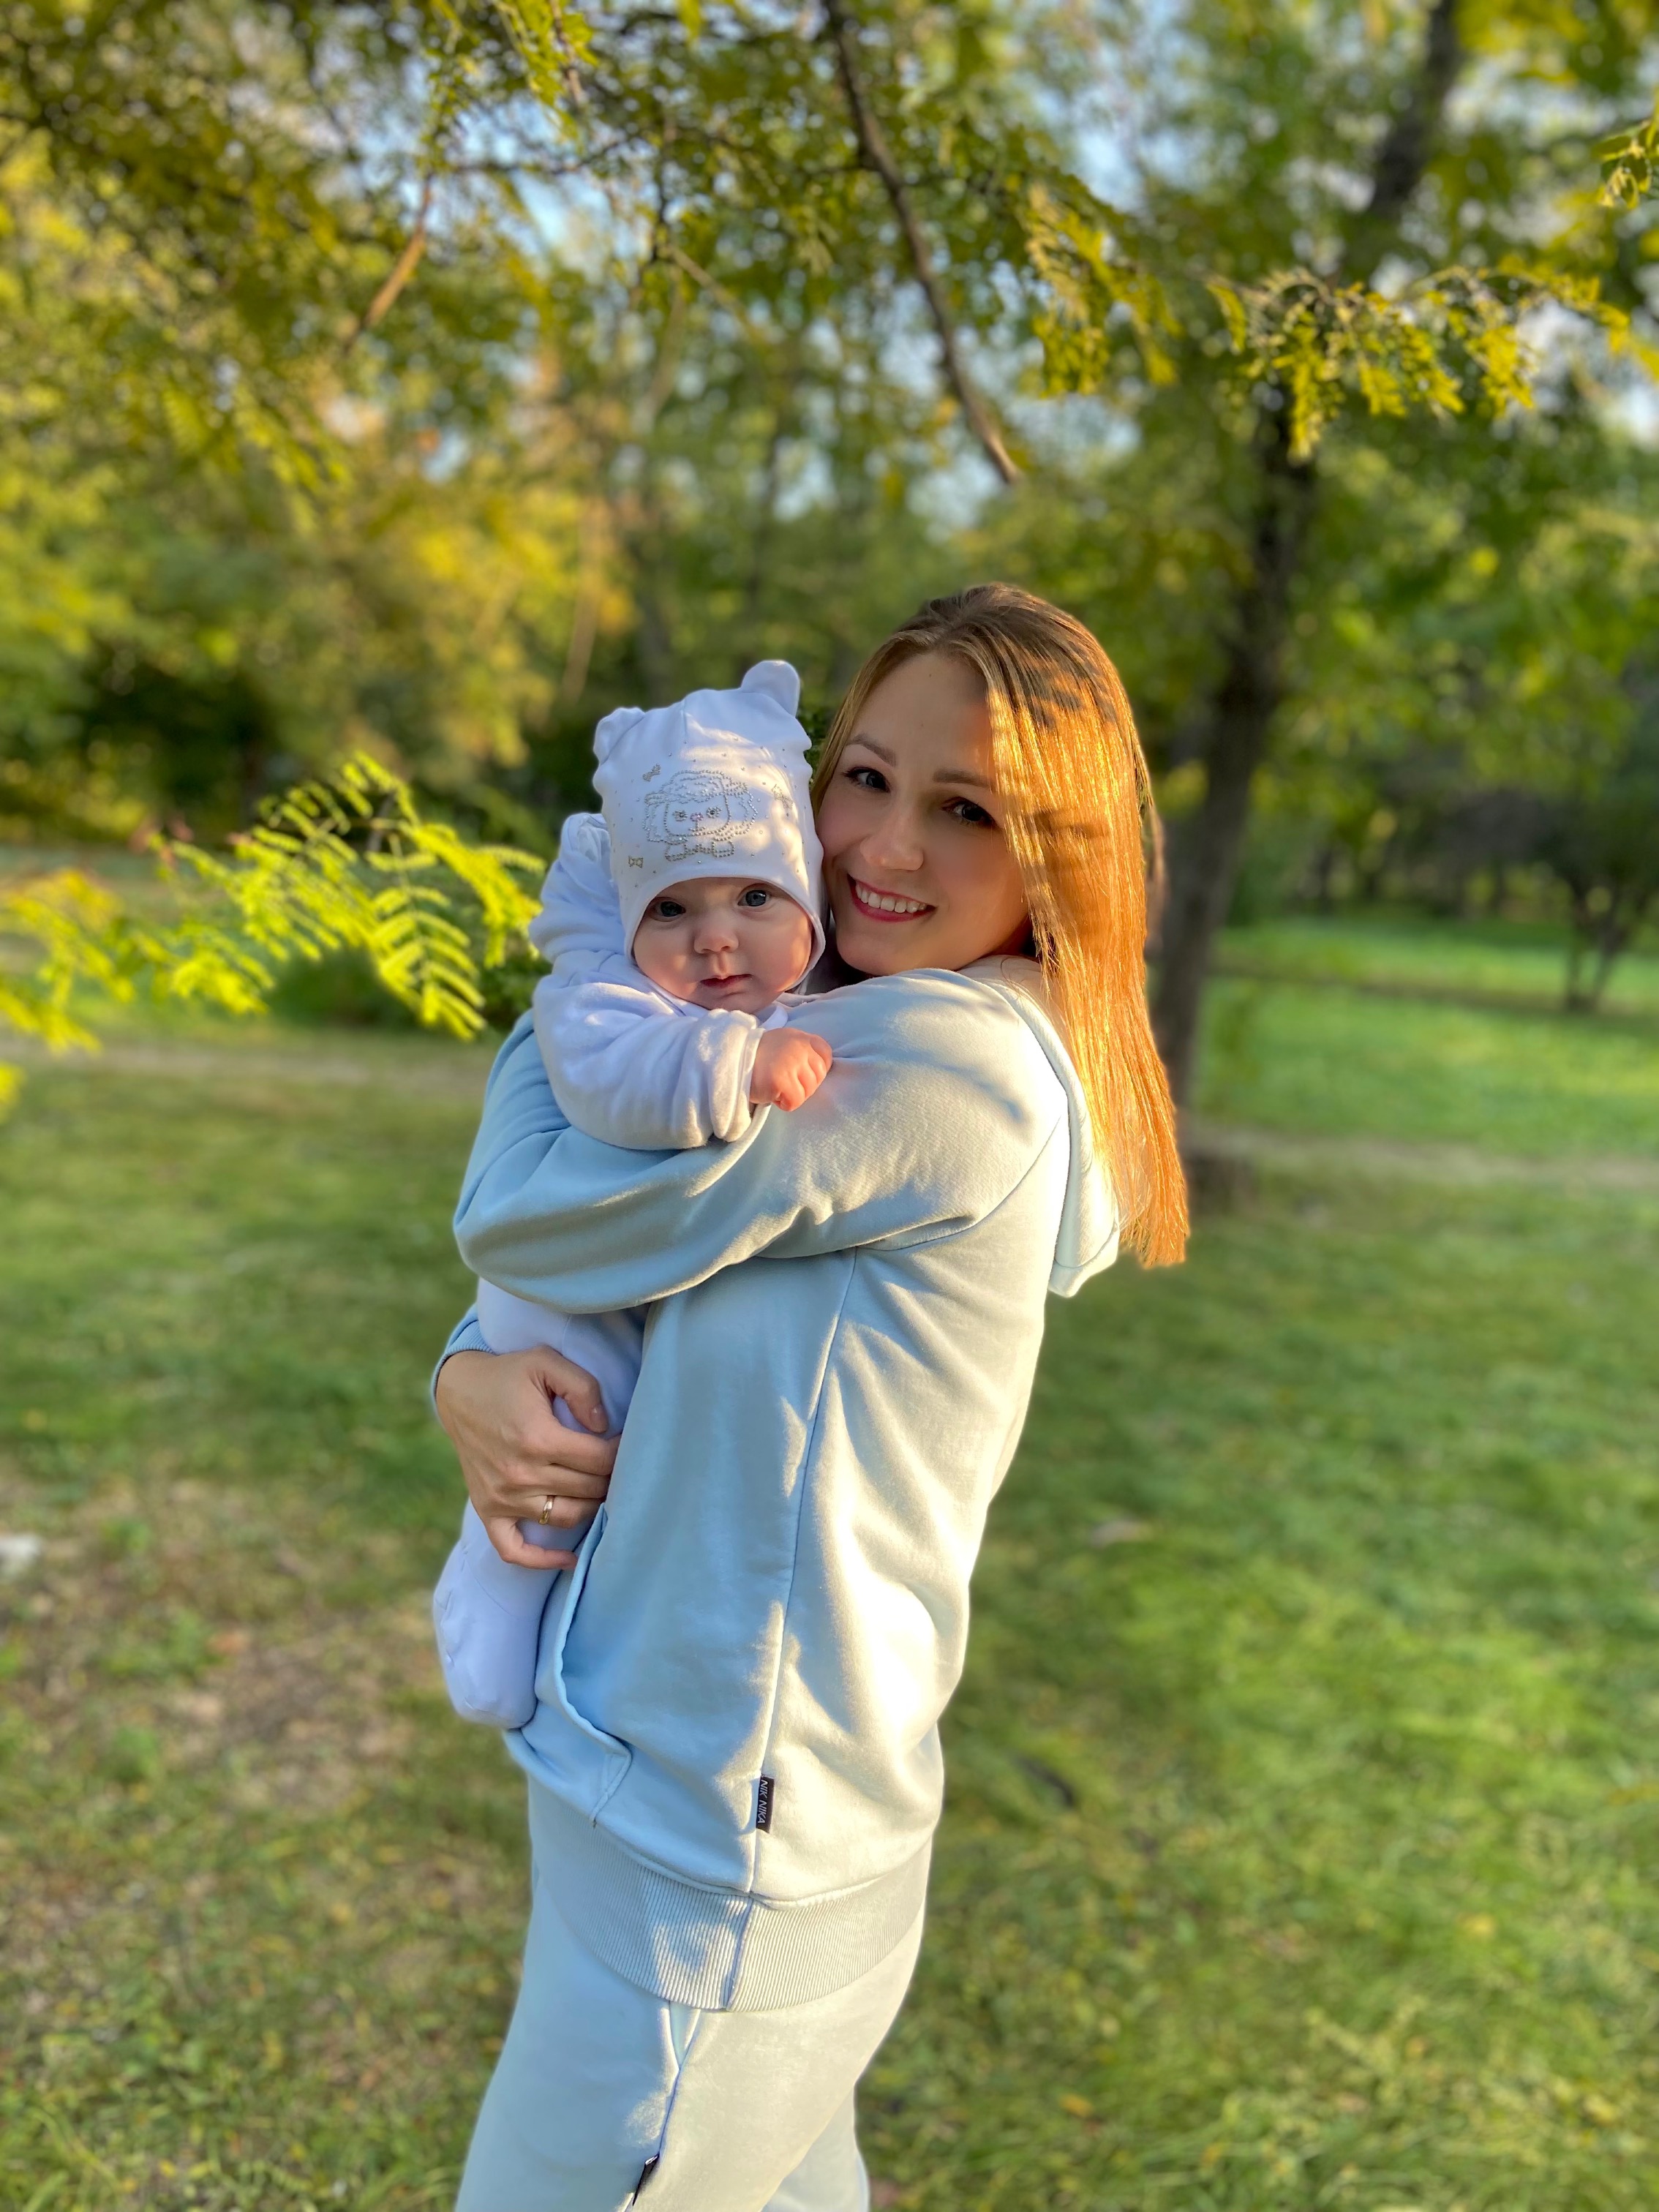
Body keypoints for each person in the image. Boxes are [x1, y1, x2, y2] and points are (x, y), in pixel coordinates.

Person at [433, 585, 1188, 2211]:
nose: (882, 849)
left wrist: (590, 963)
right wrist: (470, 1377)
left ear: (1061, 857)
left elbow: (531, 1213)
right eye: (864, 778)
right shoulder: (818, 1020)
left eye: (968, 810)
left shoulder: (936, 1069)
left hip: (719, 1839)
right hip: (714, 1779)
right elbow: (606, 1265)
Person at [433, 661, 833, 1731]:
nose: (716, 937)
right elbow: (609, 1083)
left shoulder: (836, 997)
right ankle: (495, 1579)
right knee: (572, 1431)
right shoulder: (611, 1004)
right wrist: (737, 1065)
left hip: (627, 1275)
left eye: (756, 897)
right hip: (566, 1300)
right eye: (673, 908)